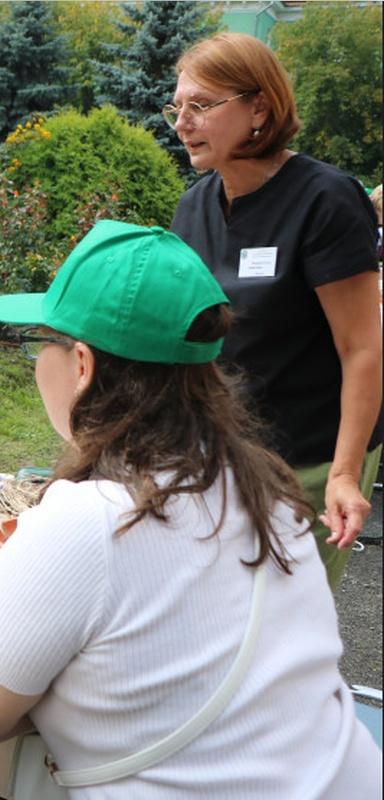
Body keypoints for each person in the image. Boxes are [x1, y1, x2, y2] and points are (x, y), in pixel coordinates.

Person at [0, 221, 381, 798]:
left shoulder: (91, 517)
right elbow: (162, 601)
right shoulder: (263, 486)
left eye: (43, 341)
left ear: (83, 365)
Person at [166, 32, 382, 589]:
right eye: (177, 107)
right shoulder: (194, 206)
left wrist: (344, 472)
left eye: (201, 106)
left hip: (307, 461)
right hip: (219, 451)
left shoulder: (324, 200)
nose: (182, 123)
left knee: (284, 629)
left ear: (259, 107)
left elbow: (362, 348)